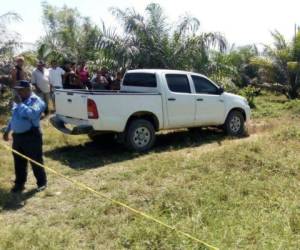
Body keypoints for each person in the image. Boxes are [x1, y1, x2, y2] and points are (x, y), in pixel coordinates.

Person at [2, 80, 47, 193]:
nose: (18, 92)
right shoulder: (18, 101)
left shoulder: (37, 101)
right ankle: (19, 184)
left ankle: (41, 183)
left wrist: (21, 104)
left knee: (35, 160)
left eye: (20, 90)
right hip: (17, 137)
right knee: (19, 161)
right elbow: (14, 118)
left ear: (28, 89)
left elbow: (32, 114)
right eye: (17, 90)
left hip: (31, 136)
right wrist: (7, 131)